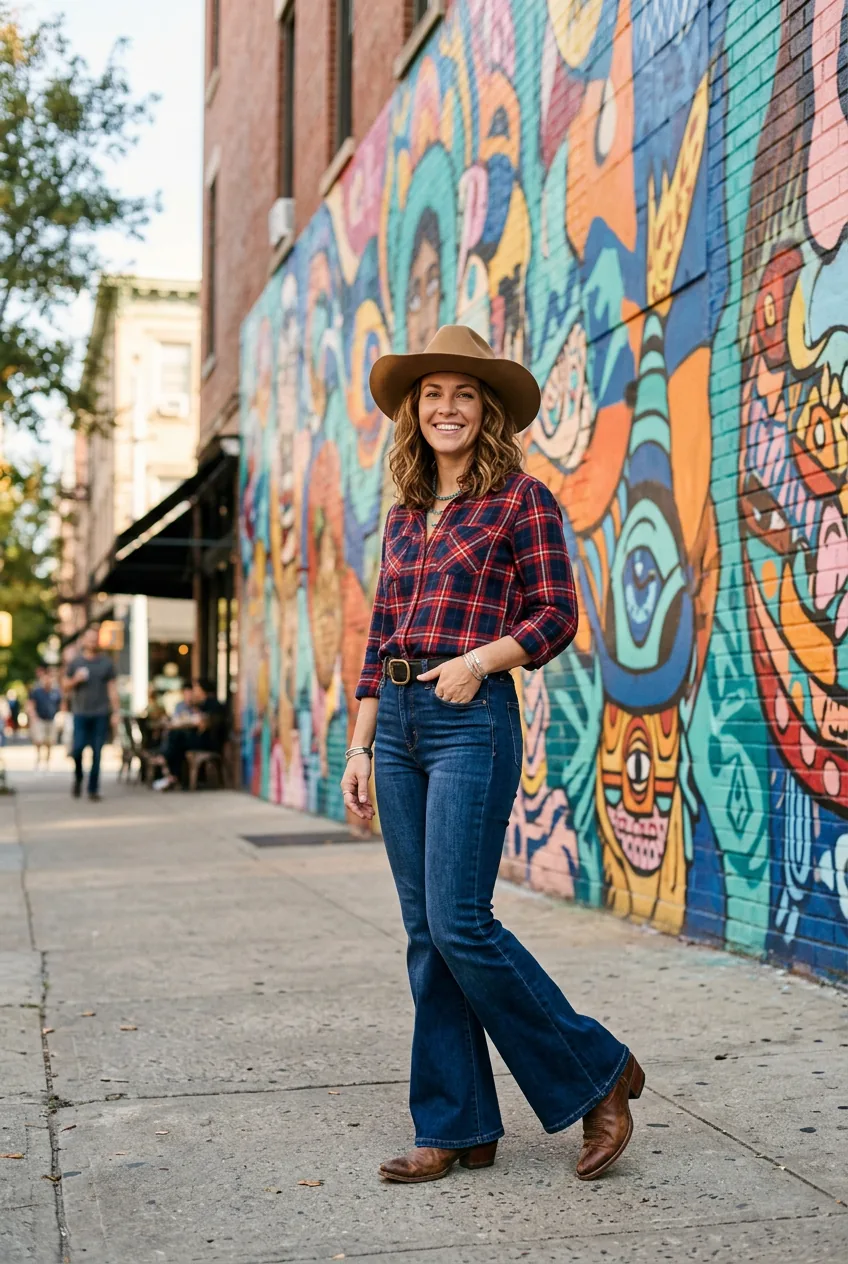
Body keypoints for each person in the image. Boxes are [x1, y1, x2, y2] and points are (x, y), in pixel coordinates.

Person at [341, 325, 642, 1186]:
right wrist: (359, 746)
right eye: (433, 394)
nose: (447, 408)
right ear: (414, 411)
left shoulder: (521, 500)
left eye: (464, 395)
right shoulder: (403, 519)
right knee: (424, 935)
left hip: (470, 719)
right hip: (395, 726)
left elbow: (555, 615)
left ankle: (600, 1070)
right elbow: (378, 641)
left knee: (462, 923)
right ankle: (457, 1126)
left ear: (488, 411)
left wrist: (478, 661)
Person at [62, 626, 120, 802]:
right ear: (83, 641)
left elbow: (112, 689)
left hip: (100, 713)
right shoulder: (75, 663)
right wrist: (75, 680)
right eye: (90, 638)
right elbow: (64, 686)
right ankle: (79, 777)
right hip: (80, 712)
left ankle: (93, 788)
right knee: (77, 749)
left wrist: (116, 712)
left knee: (97, 752)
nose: (93, 641)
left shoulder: (106, 663)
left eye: (95, 638)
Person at [152, 679, 226, 791]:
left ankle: (167, 764)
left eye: (196, 689)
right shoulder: (200, 704)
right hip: (201, 738)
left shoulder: (212, 704)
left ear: (202, 690)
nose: (194, 691)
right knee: (176, 737)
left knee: (177, 738)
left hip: (209, 742)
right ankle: (175, 775)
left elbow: (203, 724)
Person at [27, 667, 62, 769]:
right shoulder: (37, 692)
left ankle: (47, 761)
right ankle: (38, 757)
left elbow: (60, 704)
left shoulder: (55, 692)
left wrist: (60, 715)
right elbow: (31, 703)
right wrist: (33, 716)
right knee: (39, 740)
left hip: (51, 718)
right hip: (40, 719)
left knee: (50, 741)